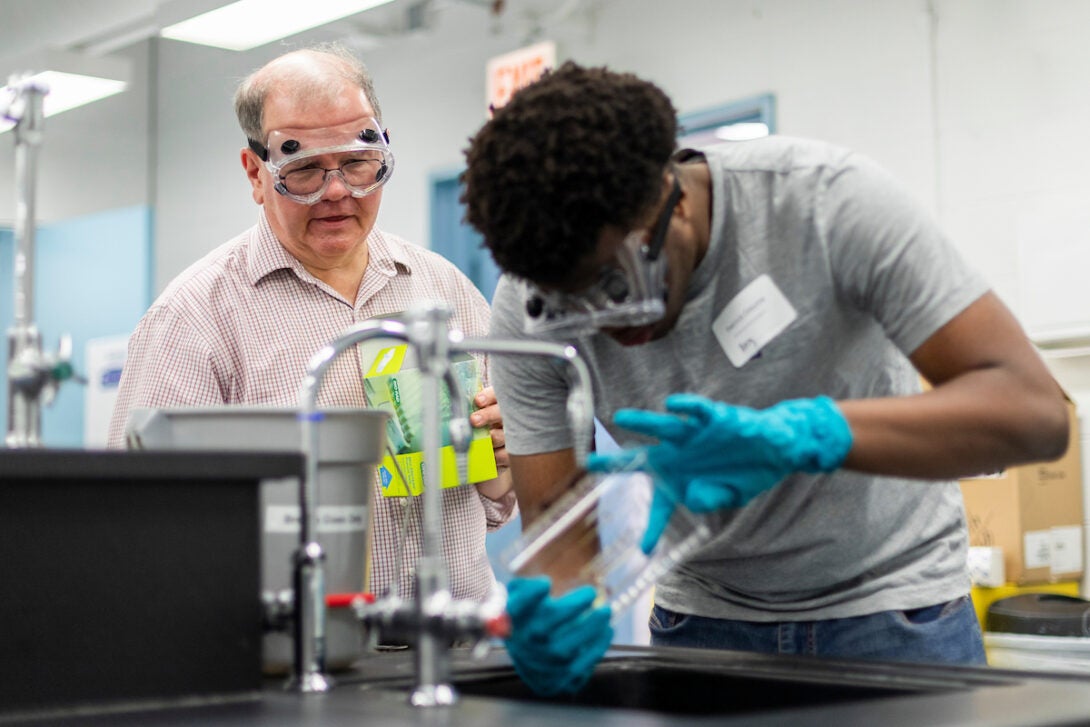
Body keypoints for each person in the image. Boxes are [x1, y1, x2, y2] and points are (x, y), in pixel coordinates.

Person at [460, 62, 1069, 693]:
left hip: (891, 609)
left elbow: (1035, 414)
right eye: (572, 307)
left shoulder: (825, 200)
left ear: (676, 200)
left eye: (620, 287)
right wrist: (560, 618)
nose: (606, 327)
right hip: (702, 621)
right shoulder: (526, 303)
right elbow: (564, 537)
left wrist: (811, 432)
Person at [107, 44, 516, 606]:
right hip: (290, 658)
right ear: (256, 173)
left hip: (453, 642)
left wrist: (499, 460)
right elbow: (141, 524)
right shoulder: (192, 320)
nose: (338, 192)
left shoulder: (444, 289)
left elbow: (494, 506)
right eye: (303, 171)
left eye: (356, 164)